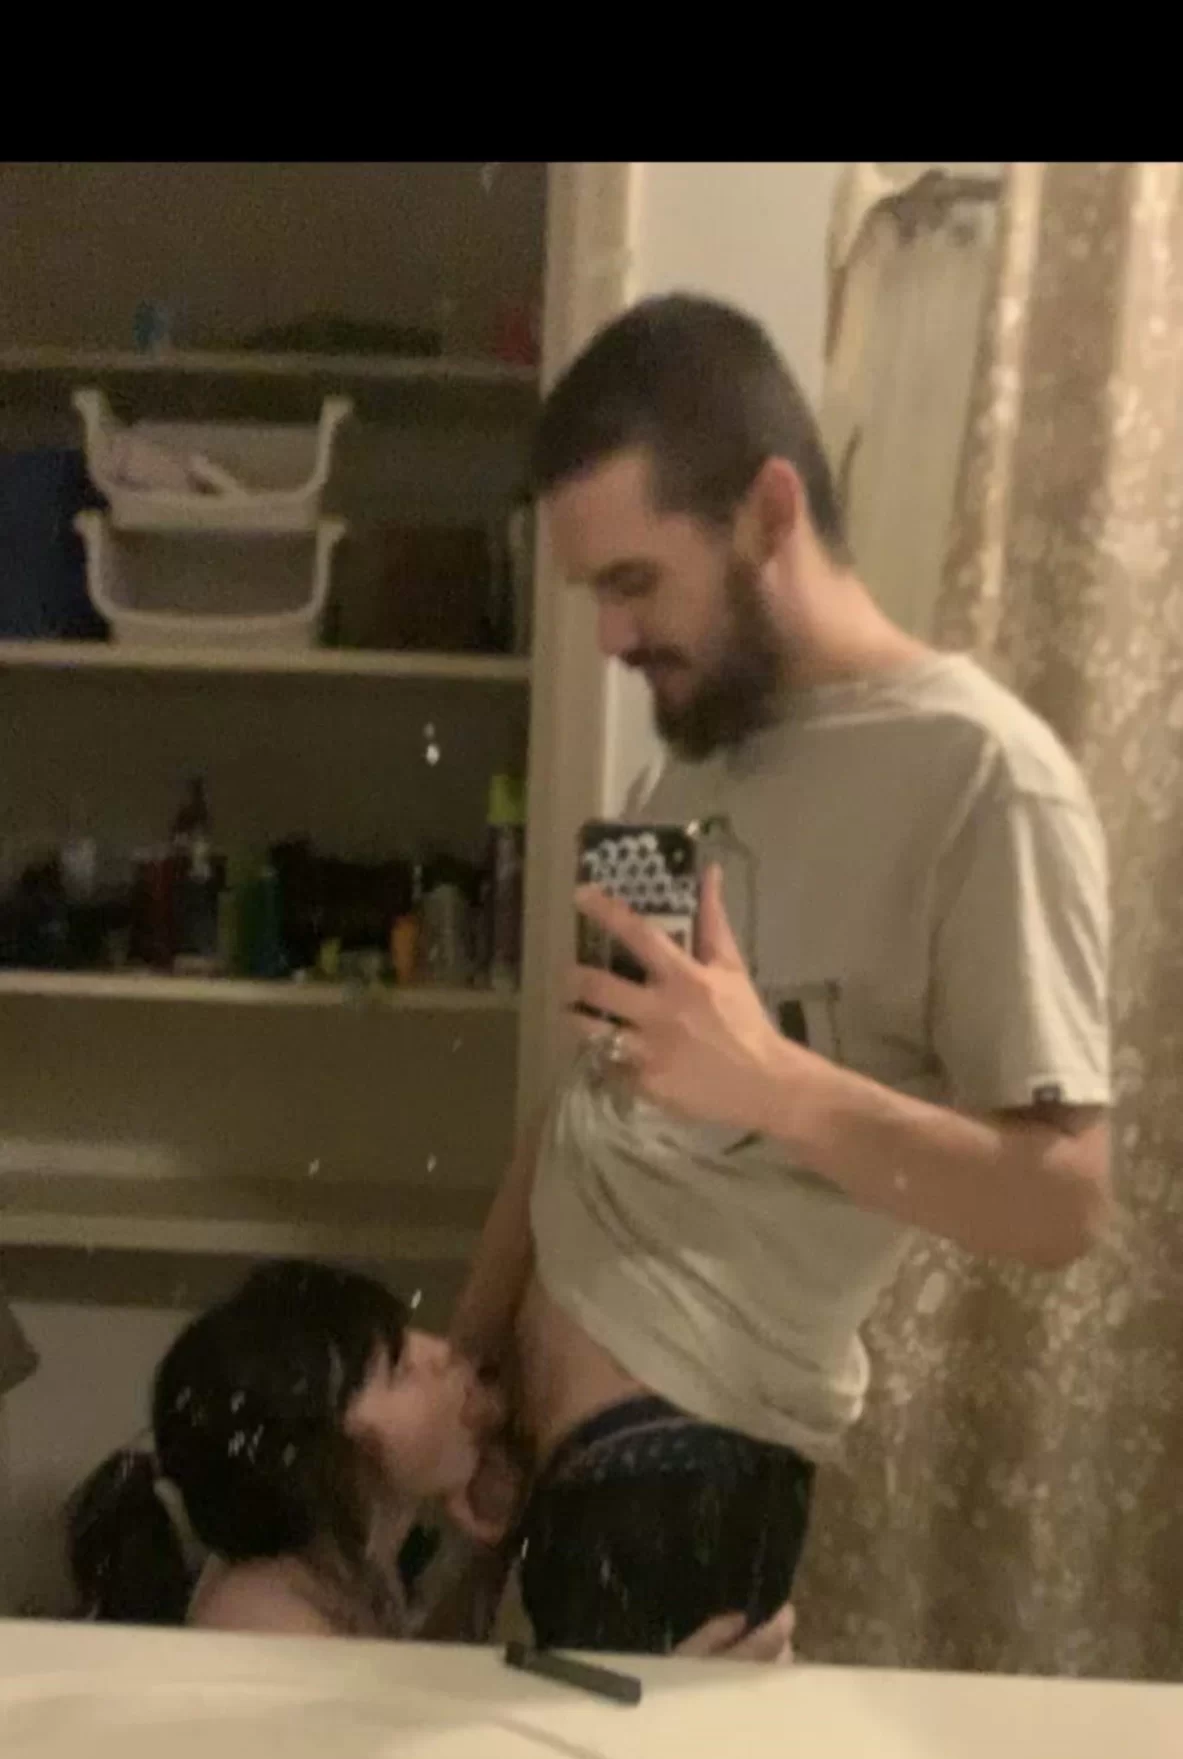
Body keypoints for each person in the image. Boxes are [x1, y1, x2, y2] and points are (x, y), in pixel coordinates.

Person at [451, 293, 1112, 1656]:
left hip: (686, 1475)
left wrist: (770, 1083)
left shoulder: (984, 781)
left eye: (633, 582)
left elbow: (1060, 1202)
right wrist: (470, 1369)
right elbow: (592, 1087)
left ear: (765, 513)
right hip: (545, 1459)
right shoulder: (698, 741)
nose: (608, 640)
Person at [68, 1257, 794, 1661]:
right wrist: (662, 1704)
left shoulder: (341, 1558)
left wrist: (490, 1551)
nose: (444, 1354)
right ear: (329, 1452)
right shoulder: (267, 1629)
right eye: (400, 1371)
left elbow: (421, 1682)